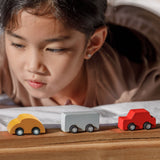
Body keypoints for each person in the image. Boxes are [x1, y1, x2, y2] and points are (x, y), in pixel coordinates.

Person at [0, 0, 160, 108]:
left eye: (54, 49)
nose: (33, 66)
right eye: (18, 44)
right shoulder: (5, 53)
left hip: (142, 27)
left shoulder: (137, 90)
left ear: (92, 44)